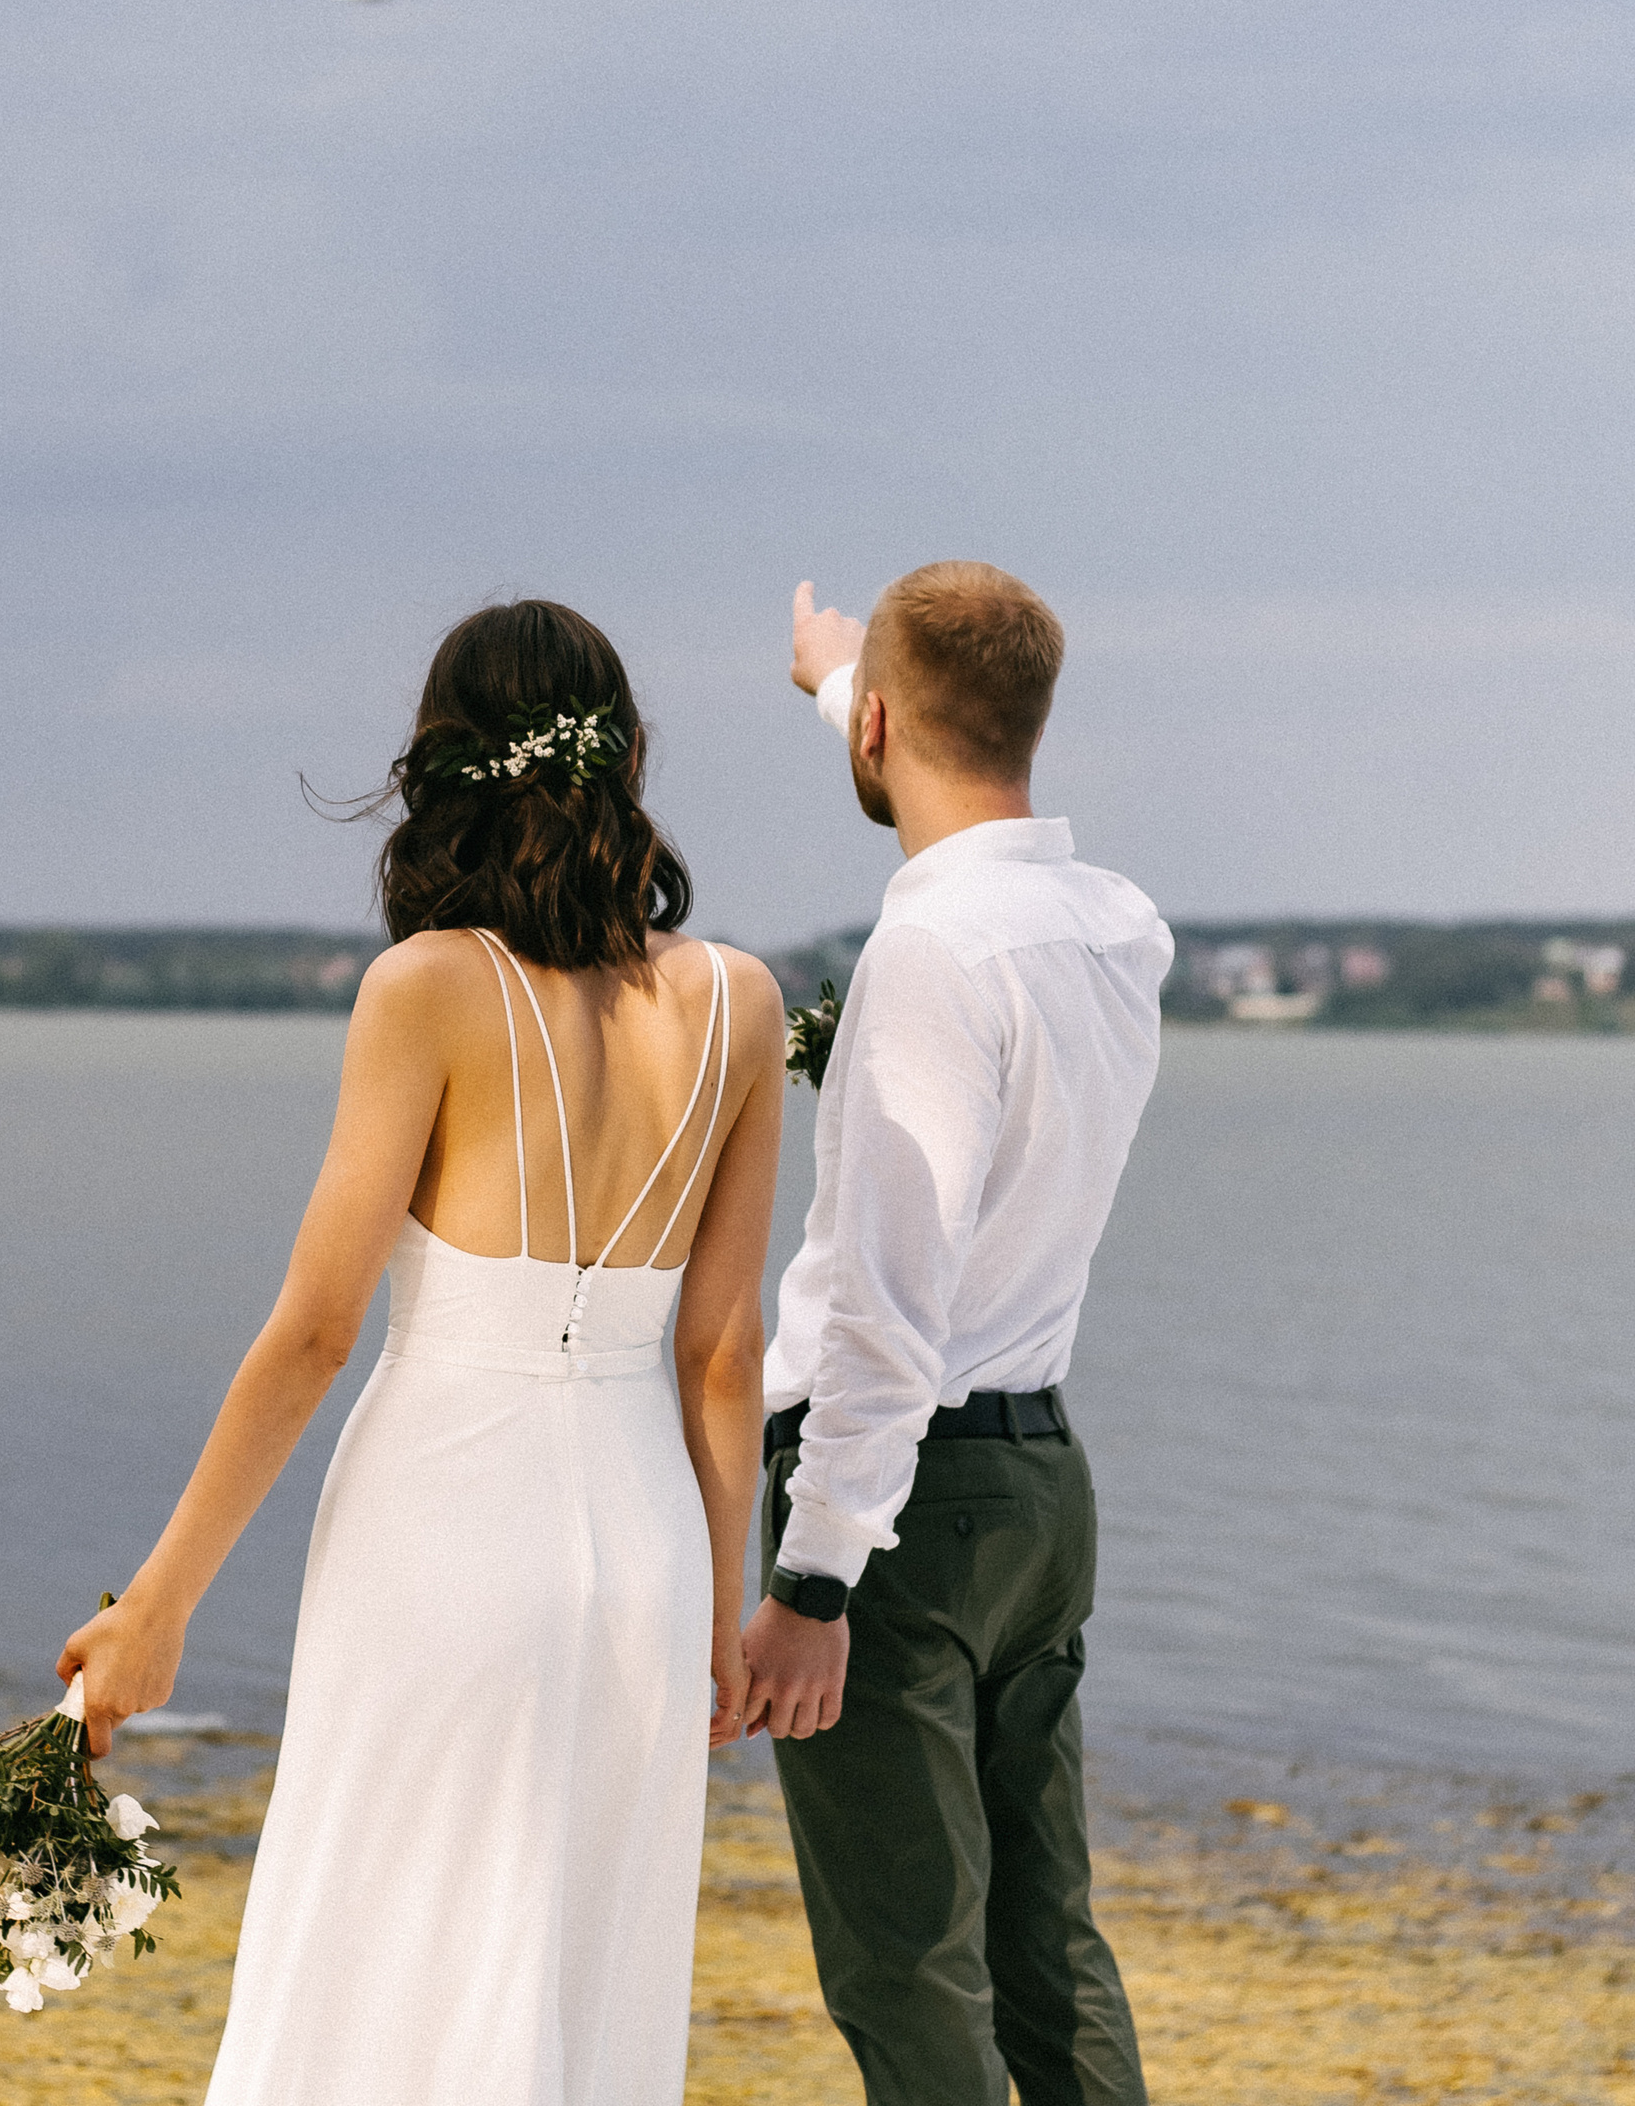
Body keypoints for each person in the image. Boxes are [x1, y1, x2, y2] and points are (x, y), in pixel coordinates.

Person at [60, 597, 785, 2106]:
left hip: (449, 1518)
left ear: (444, 765)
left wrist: (156, 1605)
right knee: (583, 1979)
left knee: (385, 1954)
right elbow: (722, 1354)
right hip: (643, 1544)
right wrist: (720, 1607)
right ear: (625, 757)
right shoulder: (740, 1004)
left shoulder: (429, 988)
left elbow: (317, 1329)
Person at [741, 563, 1170, 2106]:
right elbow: (945, 783)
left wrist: (811, 1578)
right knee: (1045, 1942)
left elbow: (885, 1306)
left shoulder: (926, 961)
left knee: (907, 1966)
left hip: (901, 1516)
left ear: (879, 728)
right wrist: (832, 681)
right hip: (1043, 1488)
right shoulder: (1116, 930)